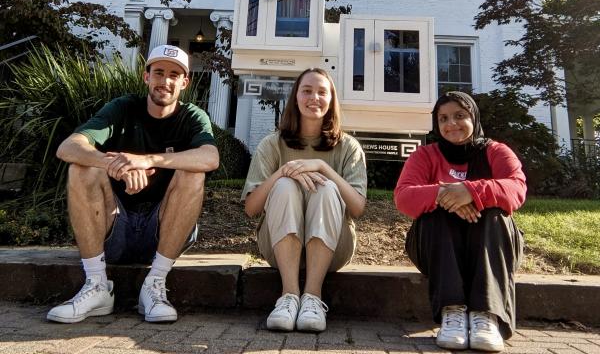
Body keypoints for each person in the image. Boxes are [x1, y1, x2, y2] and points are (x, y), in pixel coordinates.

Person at [47, 45, 219, 324]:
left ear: (184, 83)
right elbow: (68, 147)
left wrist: (145, 160)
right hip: (115, 227)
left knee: (193, 173)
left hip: (162, 234)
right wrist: (117, 165)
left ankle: (155, 285)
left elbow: (210, 158)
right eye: (159, 73)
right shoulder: (123, 108)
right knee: (82, 168)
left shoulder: (192, 116)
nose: (165, 81)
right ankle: (97, 285)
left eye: (174, 75)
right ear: (146, 77)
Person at [394, 91, 525, 352]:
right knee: (435, 211)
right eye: (443, 118)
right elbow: (404, 197)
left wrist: (471, 192)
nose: (451, 124)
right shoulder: (425, 155)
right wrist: (444, 195)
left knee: (495, 213)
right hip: (437, 246)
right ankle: (451, 313)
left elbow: (516, 189)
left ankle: (486, 315)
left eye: (459, 116)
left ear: (473, 117)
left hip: (491, 245)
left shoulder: (496, 151)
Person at [242, 68, 367, 332]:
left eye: (323, 92)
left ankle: (312, 297)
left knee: (326, 187)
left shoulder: (349, 147)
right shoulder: (271, 144)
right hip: (278, 248)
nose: (315, 97)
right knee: (285, 185)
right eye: (307, 90)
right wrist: (281, 172)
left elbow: (357, 207)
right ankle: (288, 296)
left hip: (335, 249)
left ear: (332, 99)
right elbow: (251, 208)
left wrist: (323, 168)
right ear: (295, 97)